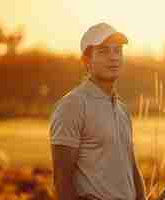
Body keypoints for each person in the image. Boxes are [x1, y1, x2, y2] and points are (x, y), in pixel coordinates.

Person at [49, 22, 146, 200]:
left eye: (118, 50)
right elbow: (61, 179)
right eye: (103, 51)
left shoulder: (122, 110)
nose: (113, 57)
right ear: (86, 61)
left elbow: (131, 167)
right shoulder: (73, 105)